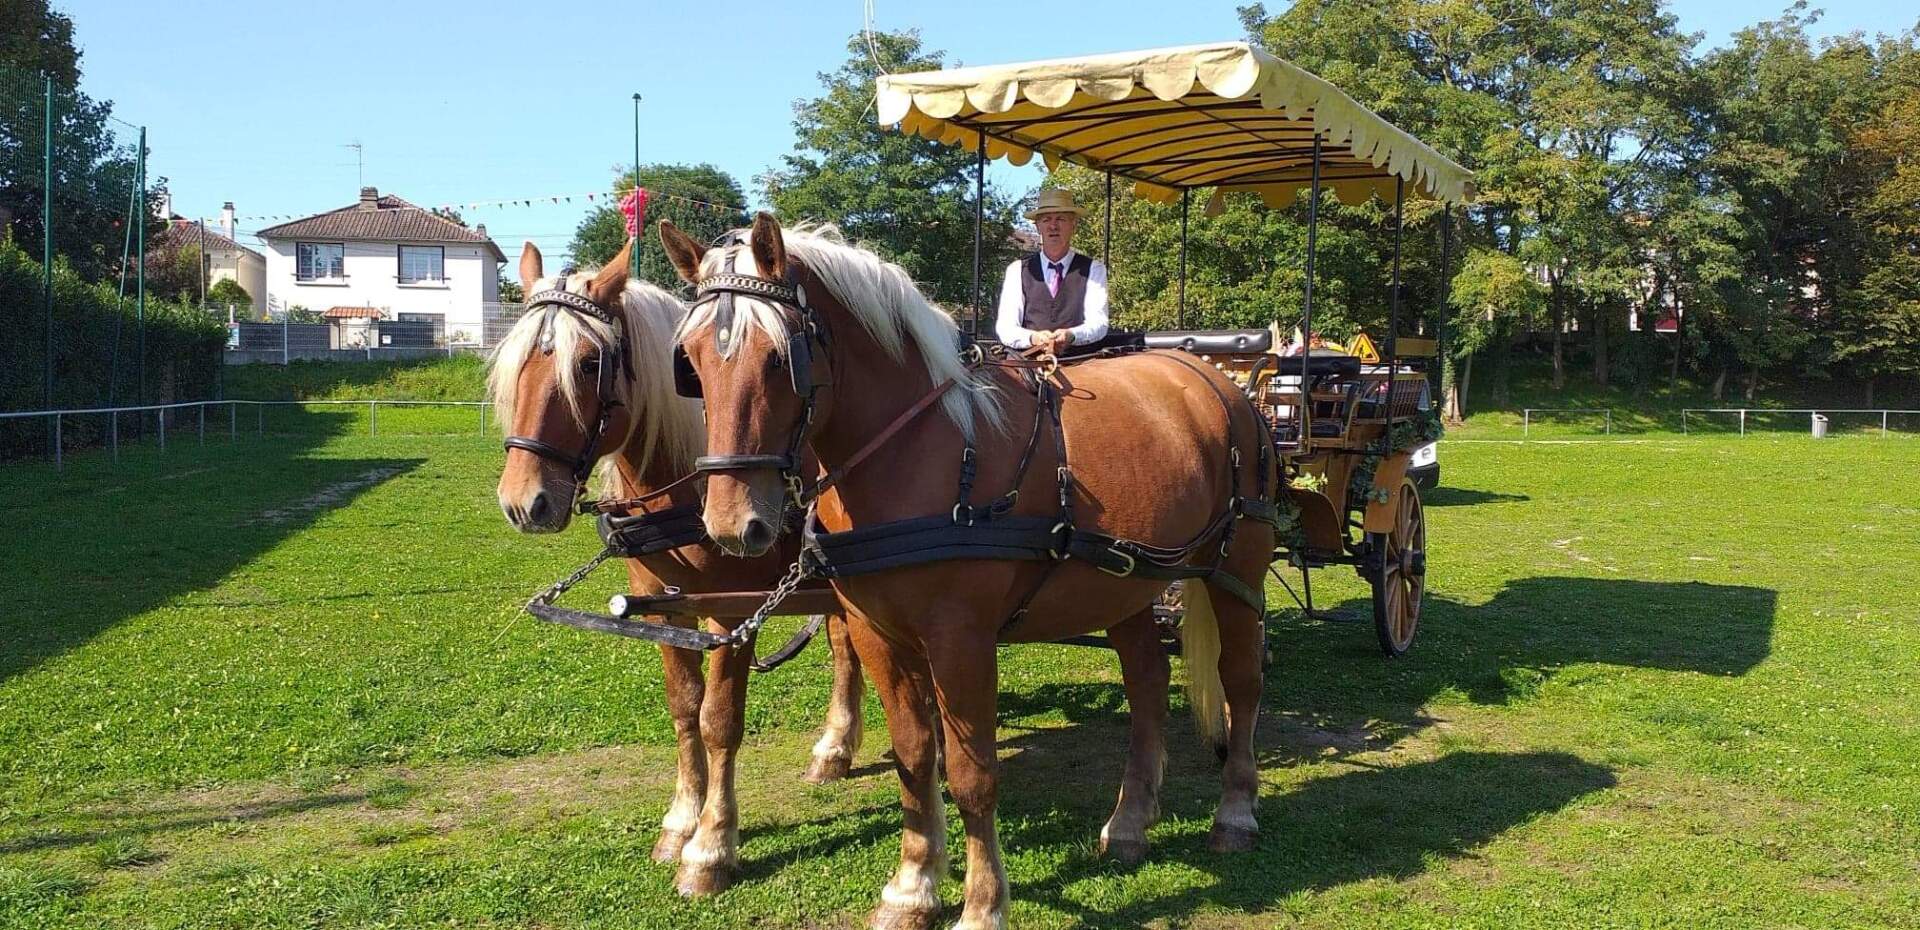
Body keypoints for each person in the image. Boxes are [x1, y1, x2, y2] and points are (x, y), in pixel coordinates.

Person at [994, 189, 1109, 356]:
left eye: (1060, 219)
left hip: (1082, 363)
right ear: (1038, 226)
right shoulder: (1017, 270)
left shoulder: (1094, 269)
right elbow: (1006, 327)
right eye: (1046, 219)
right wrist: (1033, 338)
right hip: (1030, 368)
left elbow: (1099, 323)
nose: (1053, 226)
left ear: (1073, 225)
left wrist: (1071, 335)